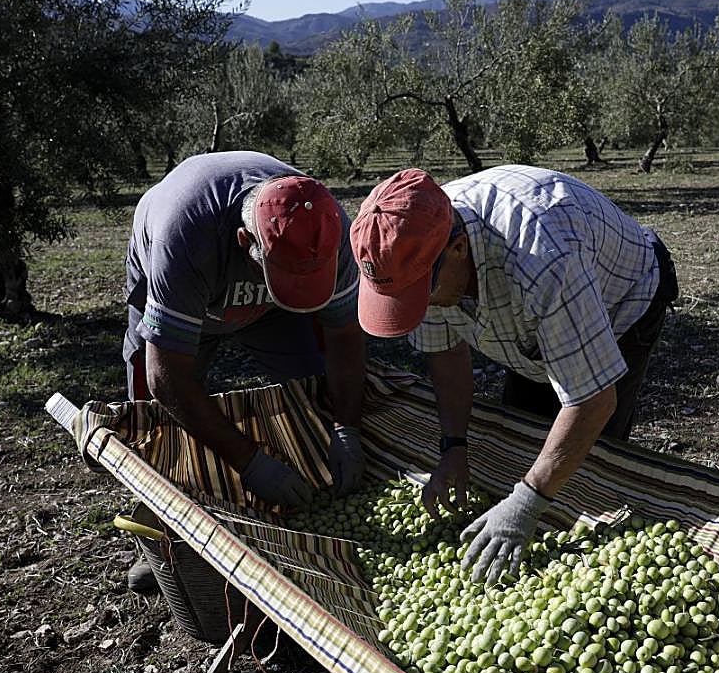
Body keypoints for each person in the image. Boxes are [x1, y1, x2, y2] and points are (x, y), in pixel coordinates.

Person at [349, 166, 678, 586]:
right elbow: (446, 352)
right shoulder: (409, 243)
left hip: (623, 303)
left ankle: (588, 563)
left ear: (458, 249)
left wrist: (526, 502)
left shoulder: (544, 260)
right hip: (525, 323)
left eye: (419, 294)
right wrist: (453, 447)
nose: (418, 305)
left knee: (589, 467)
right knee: (527, 444)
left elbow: (593, 399)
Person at [123, 151, 367, 592]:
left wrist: (345, 426)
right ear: (243, 241)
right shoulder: (186, 235)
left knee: (310, 391)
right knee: (155, 426)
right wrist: (249, 460)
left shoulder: (329, 231)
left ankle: (311, 502)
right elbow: (166, 377)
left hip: (272, 312)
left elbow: (346, 339)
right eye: (289, 275)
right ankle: (168, 545)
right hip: (185, 288)